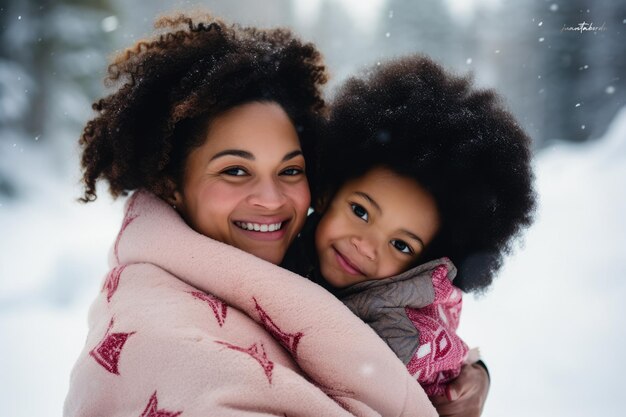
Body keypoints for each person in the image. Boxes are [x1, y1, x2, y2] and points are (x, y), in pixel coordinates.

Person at [65, 13, 442, 417]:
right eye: (235, 171)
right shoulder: (154, 334)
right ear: (171, 183)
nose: (271, 199)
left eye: (290, 170)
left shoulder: (306, 265)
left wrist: (461, 376)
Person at [283, 55, 536, 414]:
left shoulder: (399, 337)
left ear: (425, 262)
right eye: (360, 211)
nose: (366, 246)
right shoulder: (285, 241)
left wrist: (475, 373)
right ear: (328, 191)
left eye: (401, 244)